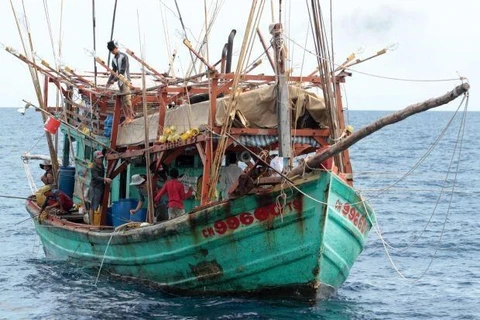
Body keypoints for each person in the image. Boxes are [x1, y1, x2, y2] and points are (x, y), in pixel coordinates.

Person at [106, 40, 134, 124]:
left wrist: (114, 80)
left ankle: (130, 116)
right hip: (120, 82)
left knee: (127, 99)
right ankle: (127, 117)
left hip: (125, 81)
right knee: (123, 100)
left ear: (116, 48)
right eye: (110, 51)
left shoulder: (123, 56)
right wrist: (108, 82)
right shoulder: (114, 59)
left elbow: (122, 71)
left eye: (112, 50)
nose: (112, 52)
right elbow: (113, 72)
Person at [90, 150, 112, 215]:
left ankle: (100, 219)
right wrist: (105, 179)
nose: (101, 159)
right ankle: (91, 223)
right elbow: (96, 177)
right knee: (94, 205)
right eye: (99, 158)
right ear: (94, 159)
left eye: (101, 158)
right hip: (95, 187)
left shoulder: (102, 165)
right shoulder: (93, 167)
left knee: (102, 203)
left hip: (101, 186)